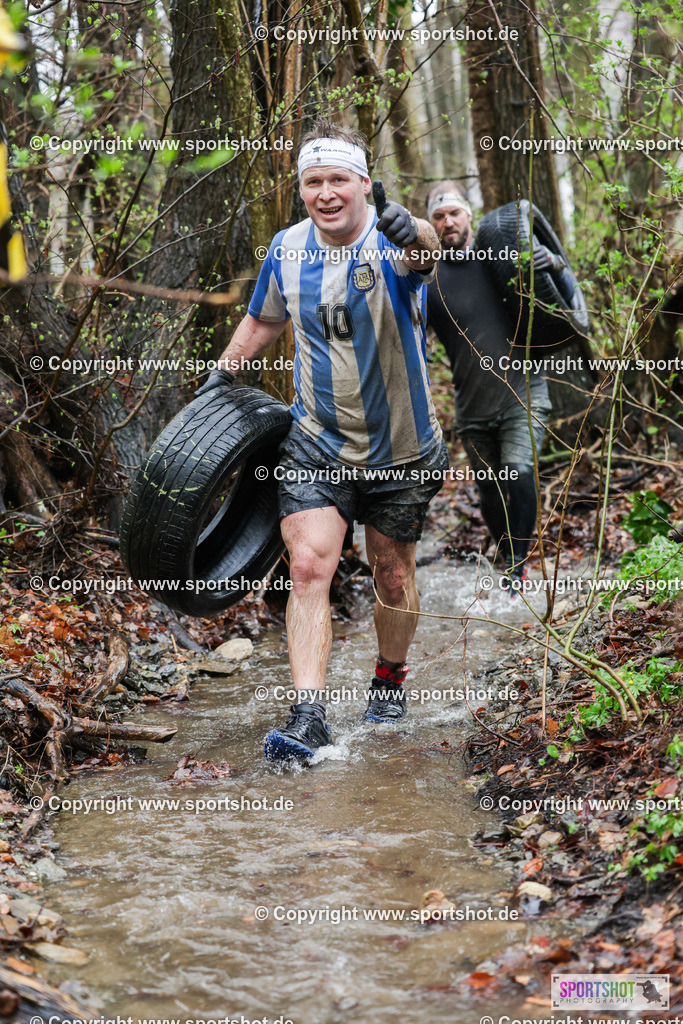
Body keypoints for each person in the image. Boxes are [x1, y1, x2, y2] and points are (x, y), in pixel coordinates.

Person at [198, 118, 448, 760]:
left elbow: (426, 253)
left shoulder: (392, 241)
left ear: (364, 183)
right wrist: (221, 377)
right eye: (314, 181)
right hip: (316, 441)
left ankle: (389, 680)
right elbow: (263, 320)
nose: (326, 192)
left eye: (339, 179)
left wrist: (414, 228)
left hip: (402, 448)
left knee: (392, 575)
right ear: (301, 188)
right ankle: (309, 716)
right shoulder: (286, 249)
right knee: (309, 567)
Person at [425, 181, 568, 592]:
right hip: (471, 405)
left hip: (522, 393)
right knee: (489, 488)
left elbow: (559, 294)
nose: (448, 222)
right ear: (431, 225)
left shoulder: (501, 258)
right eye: (439, 217)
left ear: (469, 215)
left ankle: (517, 570)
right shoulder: (429, 280)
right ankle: (507, 556)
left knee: (519, 471)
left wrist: (553, 263)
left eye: (454, 213)